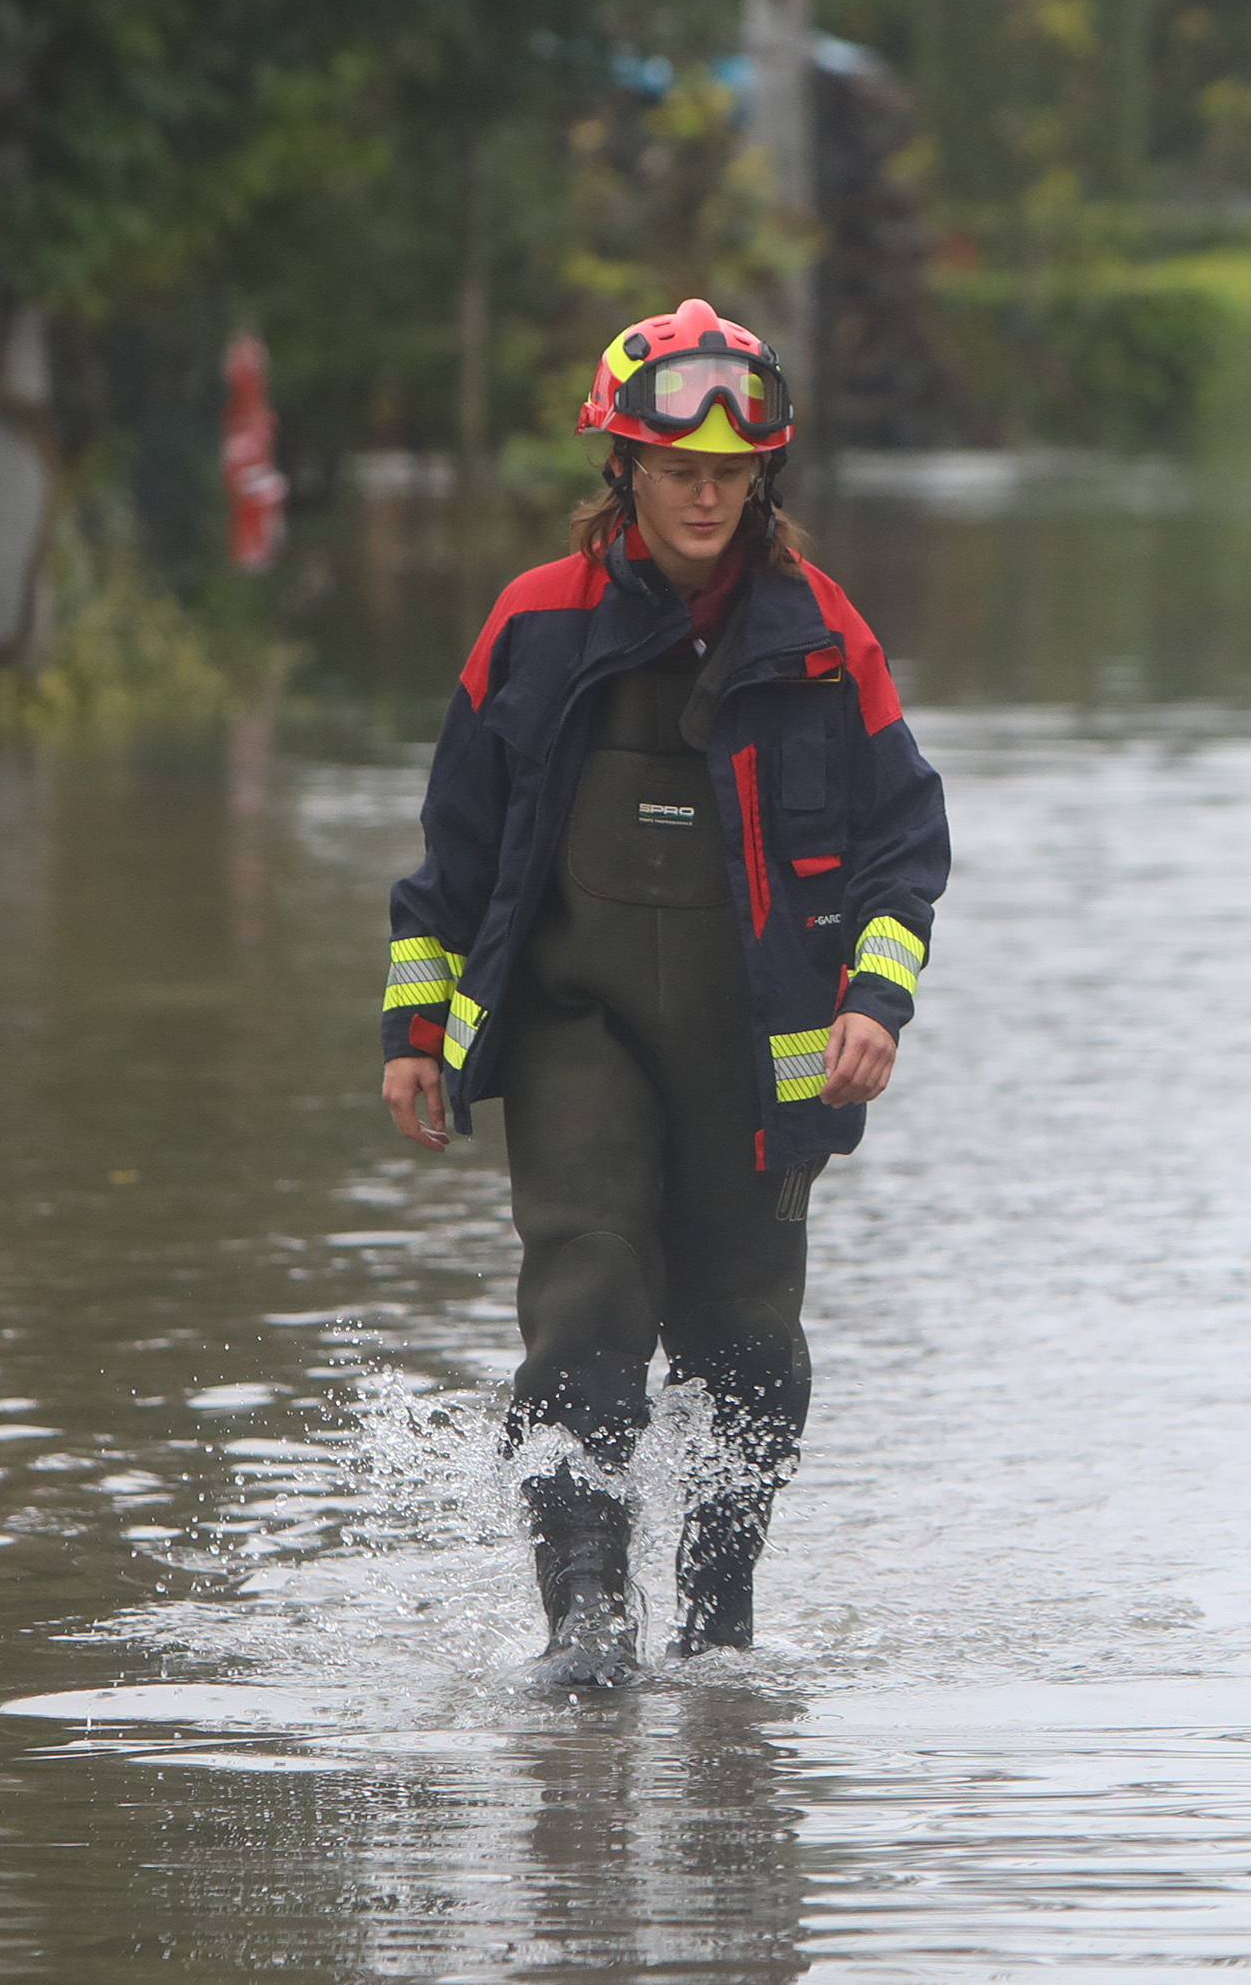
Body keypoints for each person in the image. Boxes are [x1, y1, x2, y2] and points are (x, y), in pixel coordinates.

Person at [377, 298, 949, 1685]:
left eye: (732, 474)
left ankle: (715, 1616)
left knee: (748, 1337)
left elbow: (904, 843)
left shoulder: (822, 638)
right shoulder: (533, 627)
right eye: (678, 468)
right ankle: (582, 1612)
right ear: (621, 468)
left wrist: (876, 1000)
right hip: (580, 1026)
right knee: (586, 1292)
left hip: (765, 1056)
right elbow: (451, 844)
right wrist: (413, 1027)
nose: (706, 494)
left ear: (766, 478)